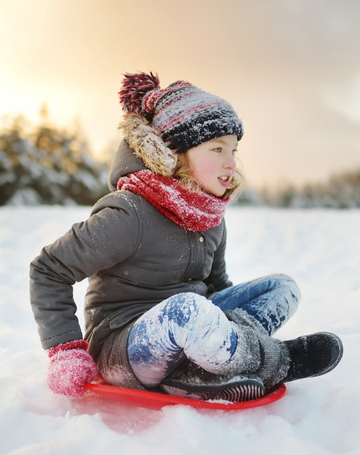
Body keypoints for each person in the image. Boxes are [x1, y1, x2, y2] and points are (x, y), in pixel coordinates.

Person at [29, 72, 343, 401]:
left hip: (194, 323)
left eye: (234, 151)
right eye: (217, 149)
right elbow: (48, 269)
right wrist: (65, 350)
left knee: (282, 287)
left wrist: (216, 325)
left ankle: (202, 368)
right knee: (188, 311)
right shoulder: (129, 216)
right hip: (127, 346)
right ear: (176, 154)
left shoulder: (209, 216)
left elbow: (216, 287)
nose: (230, 164)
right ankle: (279, 360)